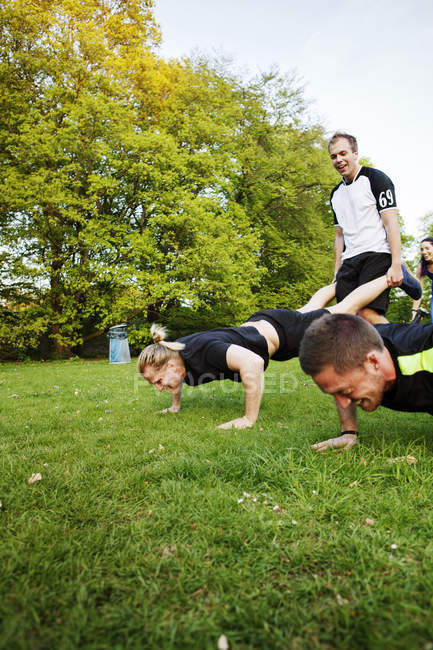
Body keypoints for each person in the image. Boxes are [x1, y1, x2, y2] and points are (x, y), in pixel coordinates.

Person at [137, 269, 421, 430]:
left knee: (343, 310)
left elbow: (252, 365)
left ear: (171, 365)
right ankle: (338, 281)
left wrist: (249, 419)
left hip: (283, 334)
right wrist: (175, 406)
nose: (159, 387)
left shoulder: (206, 352)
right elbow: (175, 381)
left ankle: (393, 277)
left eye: (158, 381)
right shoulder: (176, 357)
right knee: (310, 308)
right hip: (267, 327)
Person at [298, 312, 433, 452]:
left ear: (373, 362)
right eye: (336, 392)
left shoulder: (426, 355)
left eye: (345, 391)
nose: (344, 402)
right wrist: (348, 432)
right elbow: (339, 382)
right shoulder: (358, 343)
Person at [328, 131, 421, 324]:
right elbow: (339, 236)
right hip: (350, 261)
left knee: (367, 315)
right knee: (346, 318)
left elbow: (391, 223)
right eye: (334, 156)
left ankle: (395, 353)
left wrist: (395, 264)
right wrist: (337, 270)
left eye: (343, 153)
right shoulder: (335, 194)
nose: (339, 160)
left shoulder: (376, 179)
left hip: (377, 254)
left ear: (355, 153)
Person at [412, 236, 433, 322]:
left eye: (427, 248)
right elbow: (419, 290)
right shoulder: (422, 266)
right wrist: (414, 311)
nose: (424, 252)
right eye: (422, 249)